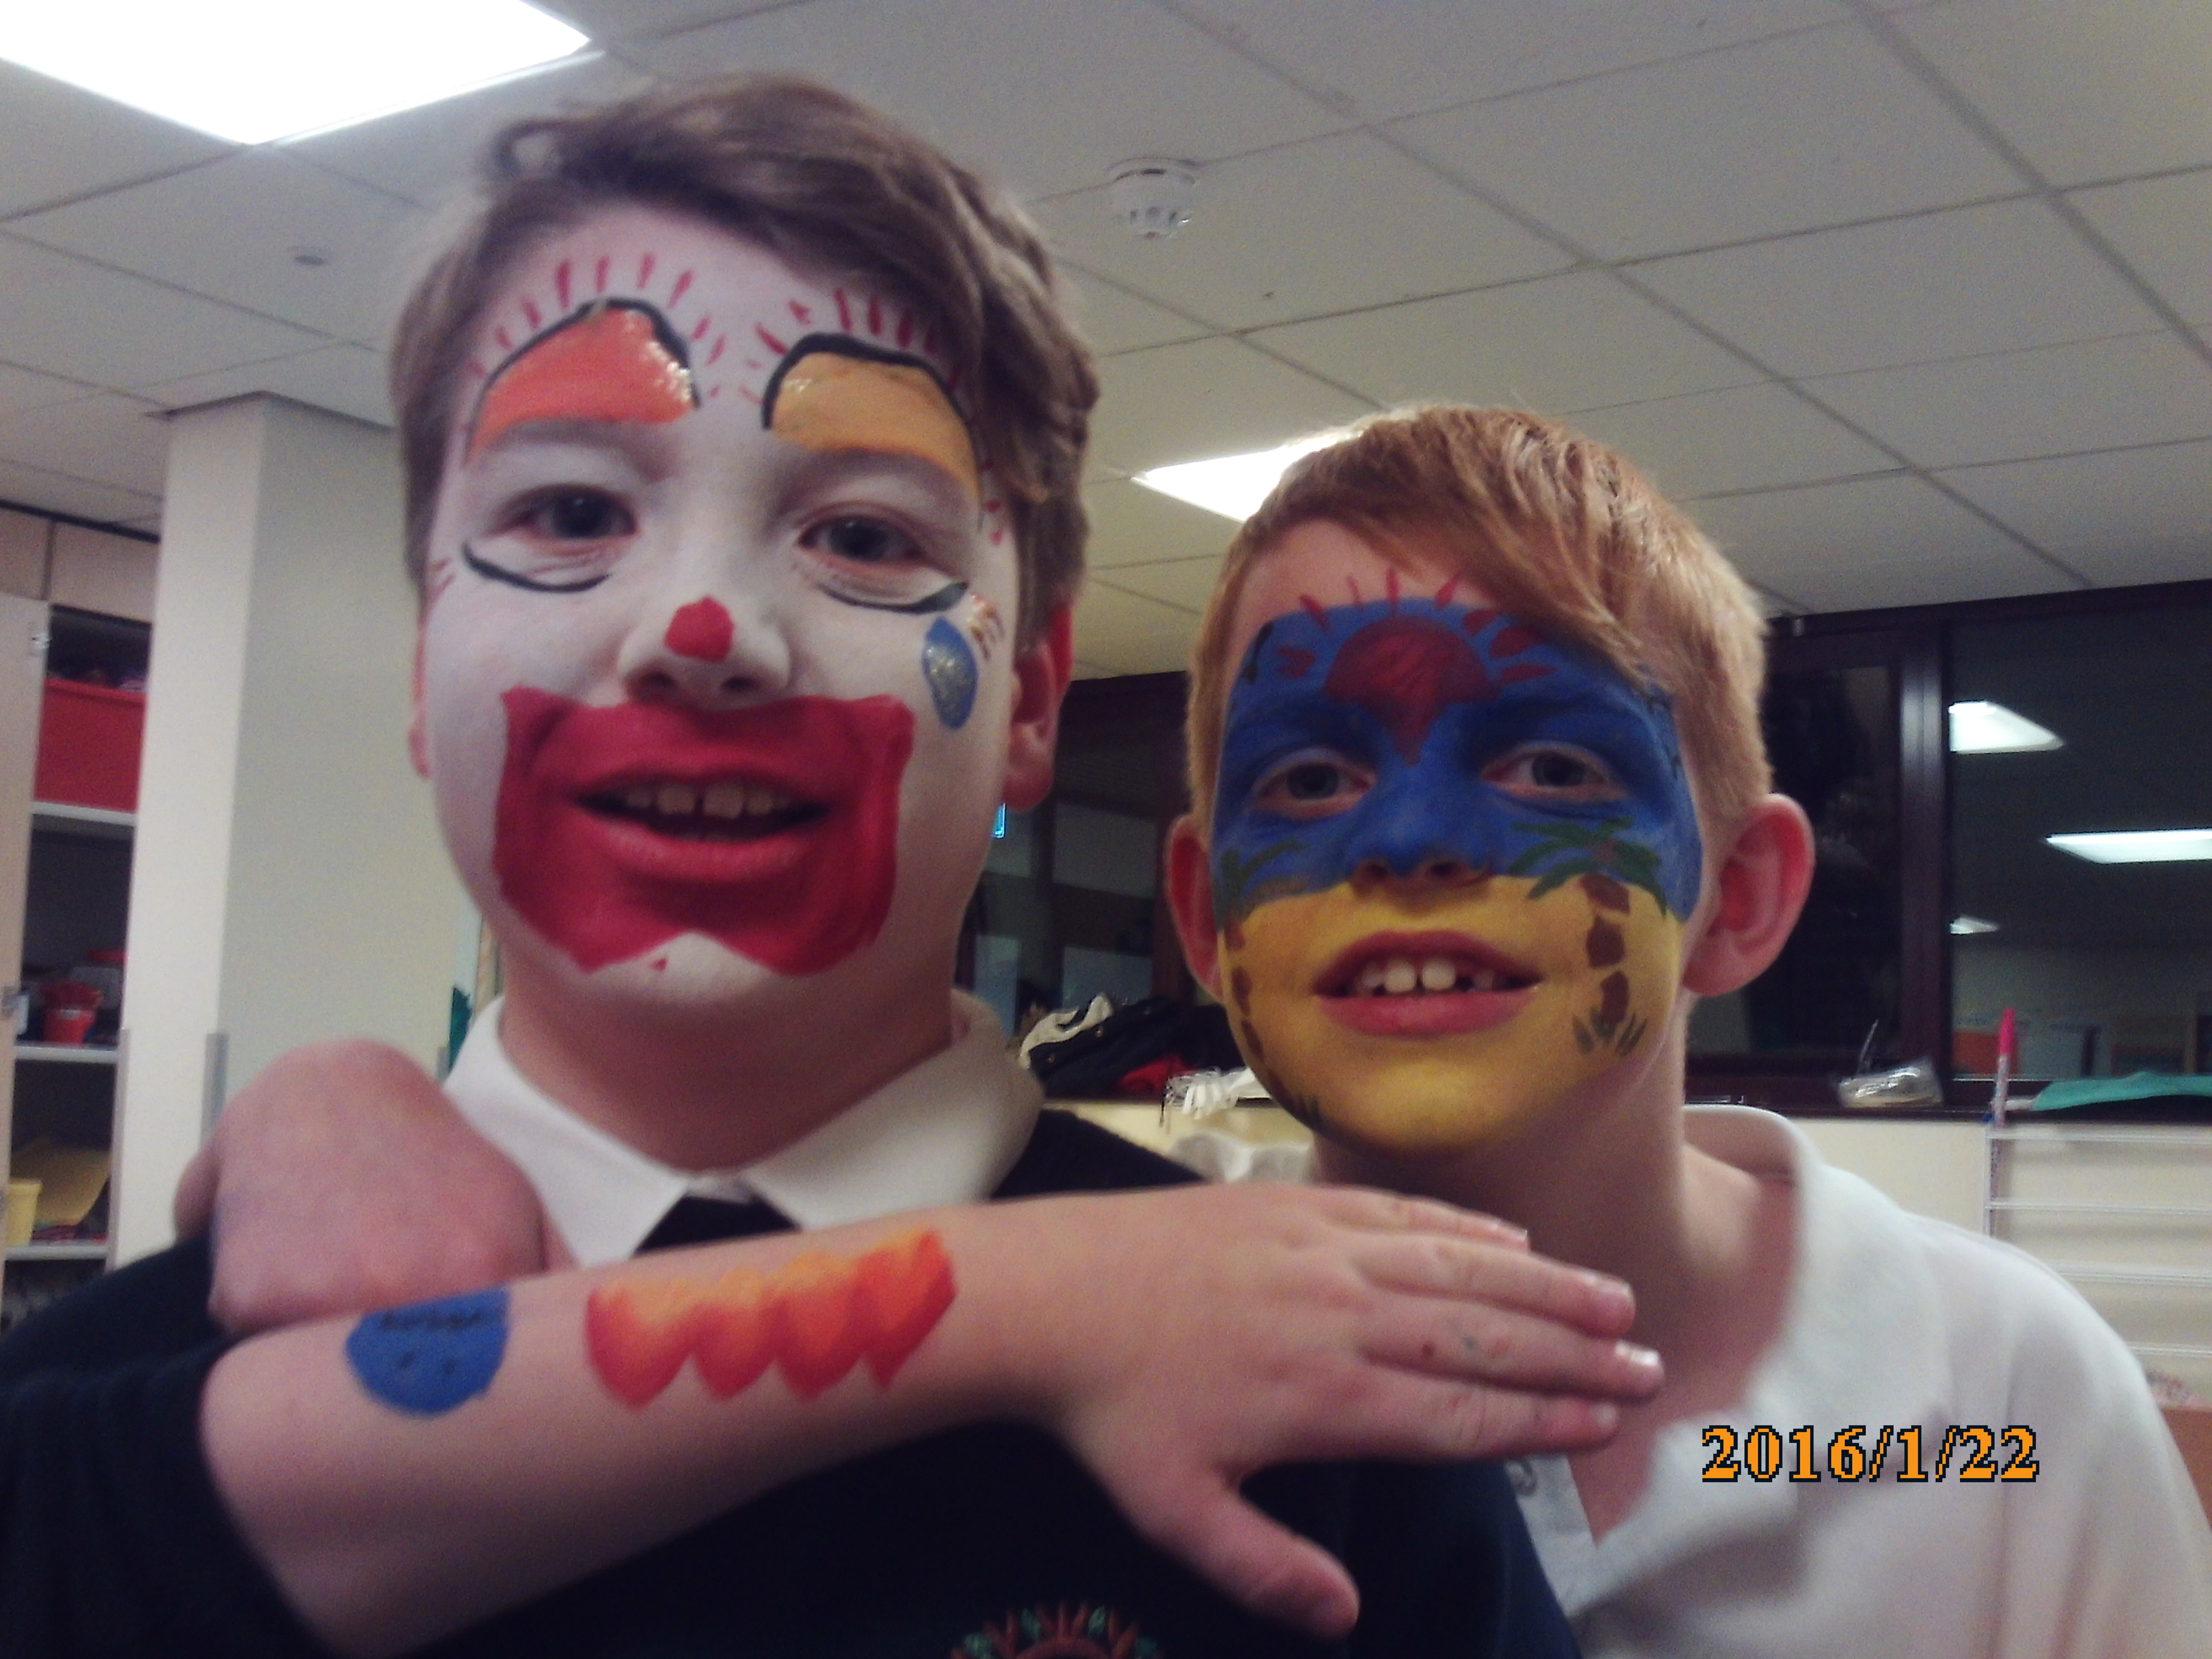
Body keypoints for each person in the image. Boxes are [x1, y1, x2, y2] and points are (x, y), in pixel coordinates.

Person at [0, 82, 1662, 1659]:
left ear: (1030, 699)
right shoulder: (100, 1414)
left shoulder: (1321, 1399)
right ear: (430, 647)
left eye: (864, 536)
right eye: (572, 512)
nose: (702, 629)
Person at [1160, 405, 2212, 1656]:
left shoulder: (2002, 1407)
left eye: (1554, 769)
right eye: (1310, 779)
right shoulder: (1104, 1339)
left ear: (1741, 898)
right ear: (1207, 918)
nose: (1408, 839)